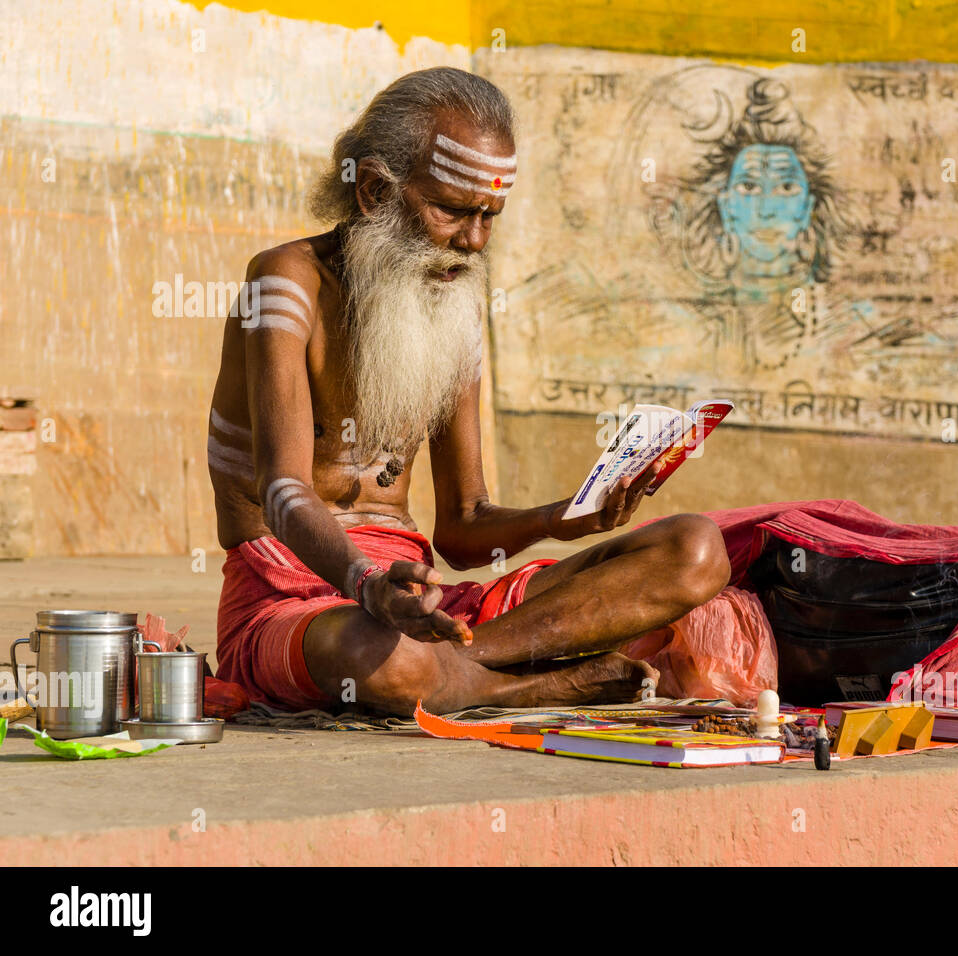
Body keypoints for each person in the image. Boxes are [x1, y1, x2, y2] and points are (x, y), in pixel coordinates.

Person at [207, 68, 731, 716]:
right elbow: (283, 491)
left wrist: (568, 517)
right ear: (373, 191)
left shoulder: (451, 300)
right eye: (452, 210)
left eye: (489, 217)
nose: (474, 240)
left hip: (422, 605)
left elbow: (463, 527)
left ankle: (463, 664)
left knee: (695, 551)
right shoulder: (285, 282)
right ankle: (528, 682)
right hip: (293, 604)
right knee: (379, 654)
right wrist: (369, 588)